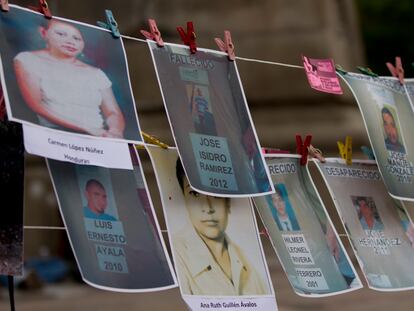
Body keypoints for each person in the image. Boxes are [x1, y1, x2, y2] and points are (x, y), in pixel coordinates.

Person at [13, 20, 125, 138]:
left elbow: (113, 112)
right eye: (61, 34)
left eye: (77, 38)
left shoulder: (96, 73)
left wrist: (115, 131)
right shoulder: (28, 59)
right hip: (56, 136)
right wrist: (86, 128)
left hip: (99, 136)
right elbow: (36, 104)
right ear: (44, 33)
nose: (70, 42)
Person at [173, 160, 268, 295]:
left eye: (216, 194)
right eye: (194, 193)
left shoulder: (247, 262)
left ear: (228, 201)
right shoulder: (177, 257)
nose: (208, 207)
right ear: (184, 199)